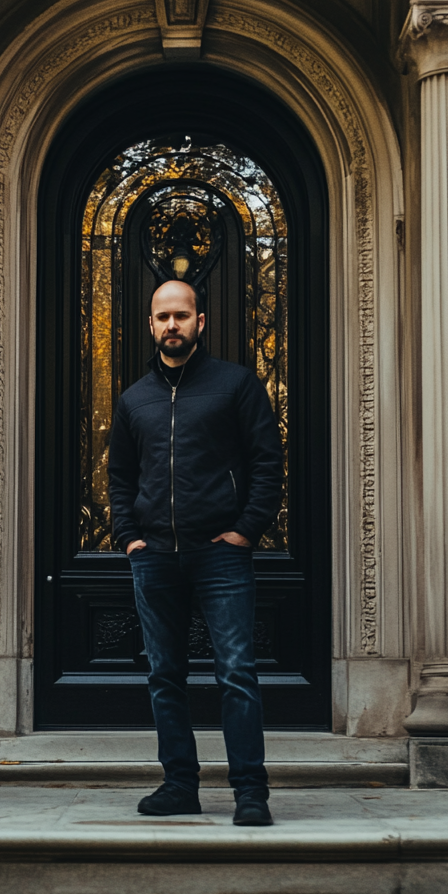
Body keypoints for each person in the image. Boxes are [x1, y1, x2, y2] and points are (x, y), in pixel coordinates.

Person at [107, 278, 283, 826]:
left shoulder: (236, 385)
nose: (171, 326)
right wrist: (128, 537)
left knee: (235, 672)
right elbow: (118, 477)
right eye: (162, 317)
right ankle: (179, 784)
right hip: (154, 557)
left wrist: (247, 529)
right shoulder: (134, 399)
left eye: (181, 316)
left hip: (220, 554)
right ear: (151, 323)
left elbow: (267, 464)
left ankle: (250, 791)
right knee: (164, 675)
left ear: (199, 322)